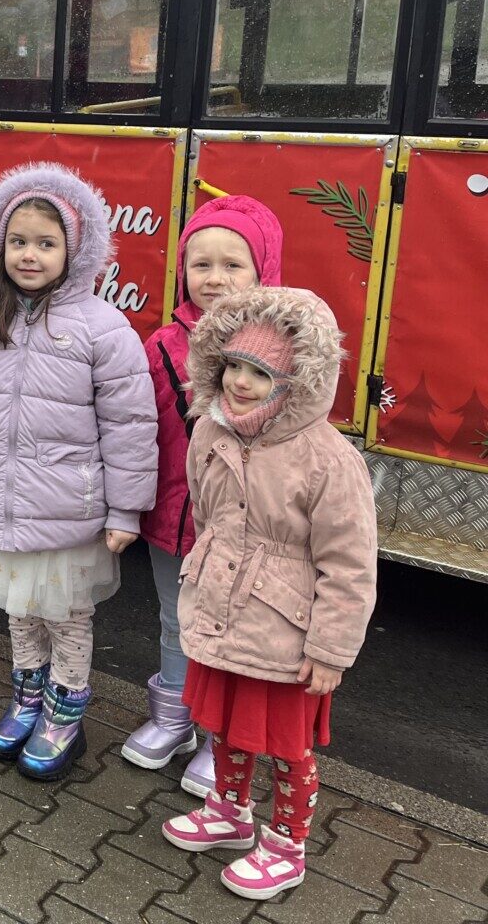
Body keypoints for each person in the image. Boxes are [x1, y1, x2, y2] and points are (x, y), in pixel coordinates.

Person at [161, 287, 377, 902]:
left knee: (288, 746)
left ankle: (287, 843)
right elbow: (208, 514)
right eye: (233, 365)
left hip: (286, 632)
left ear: (295, 381)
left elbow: (350, 565)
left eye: (260, 373)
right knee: (226, 725)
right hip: (223, 612)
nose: (240, 382)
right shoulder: (211, 429)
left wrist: (330, 650)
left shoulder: (328, 460)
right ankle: (229, 812)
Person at [0, 162, 157, 780]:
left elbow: (129, 425)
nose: (29, 255)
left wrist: (125, 510)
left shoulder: (102, 328)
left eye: (46, 243)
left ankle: (65, 712)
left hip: (70, 510)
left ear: (75, 250)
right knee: (19, 609)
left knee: (66, 615)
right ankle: (27, 697)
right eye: (18, 241)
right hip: (3, 502)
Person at [122, 194, 283, 796]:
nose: (214, 278)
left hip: (245, 528)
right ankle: (175, 719)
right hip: (174, 516)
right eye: (201, 264)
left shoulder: (283, 349)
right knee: (176, 619)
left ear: (264, 269)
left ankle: (224, 739)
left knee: (231, 630)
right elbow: (137, 428)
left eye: (232, 264)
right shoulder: (163, 343)